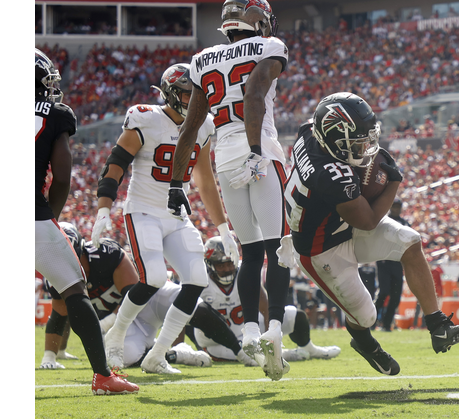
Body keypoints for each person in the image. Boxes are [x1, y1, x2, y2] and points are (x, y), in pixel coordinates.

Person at [277, 92, 459, 376]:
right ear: (333, 140)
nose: (366, 147)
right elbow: (367, 221)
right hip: (322, 249)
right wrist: (393, 181)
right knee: (366, 316)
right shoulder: (329, 174)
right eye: (356, 143)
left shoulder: (311, 131)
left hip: (339, 225)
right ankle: (365, 343)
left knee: (410, 242)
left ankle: (438, 325)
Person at [167, 0, 291, 381]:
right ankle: (274, 333)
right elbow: (254, 96)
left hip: (225, 158)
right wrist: (257, 151)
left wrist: (176, 183)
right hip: (259, 150)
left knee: (250, 252)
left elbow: (190, 128)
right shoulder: (270, 47)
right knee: (280, 249)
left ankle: (250, 329)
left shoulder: (202, 60)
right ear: (255, 19)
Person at [99, 62, 232, 375]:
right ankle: (116, 335)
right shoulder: (146, 117)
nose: (196, 101)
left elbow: (204, 179)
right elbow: (116, 162)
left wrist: (223, 227)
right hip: (143, 209)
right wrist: (104, 206)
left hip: (177, 215)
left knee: (197, 279)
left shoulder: (203, 125)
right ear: (172, 94)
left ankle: (158, 354)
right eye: (189, 95)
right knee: (155, 277)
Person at [34, 49, 138, 395]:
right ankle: (103, 377)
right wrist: (50, 215)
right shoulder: (55, 114)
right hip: (30, 215)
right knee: (74, 292)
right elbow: (62, 175)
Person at [192, 237, 341, 363]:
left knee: (295, 315)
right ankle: (284, 354)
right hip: (219, 343)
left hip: (250, 330)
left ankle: (308, 348)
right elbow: (187, 313)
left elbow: (265, 305)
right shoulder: (201, 280)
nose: (227, 269)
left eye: (229, 263)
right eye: (221, 265)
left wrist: (271, 338)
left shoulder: (243, 273)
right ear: (210, 265)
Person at [40, 224, 138, 370]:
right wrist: (49, 357)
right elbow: (59, 315)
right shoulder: (56, 272)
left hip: (130, 316)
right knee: (67, 307)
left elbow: (135, 294)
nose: (64, 265)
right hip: (98, 317)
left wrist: (107, 323)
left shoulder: (106, 254)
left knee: (133, 353)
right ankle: (57, 353)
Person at [375, 199, 409, 331]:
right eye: (394, 206)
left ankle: (387, 323)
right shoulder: (384, 221)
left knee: (396, 295)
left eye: (398, 207)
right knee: (384, 292)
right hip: (384, 260)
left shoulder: (405, 223)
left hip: (397, 263)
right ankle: (372, 321)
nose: (396, 209)